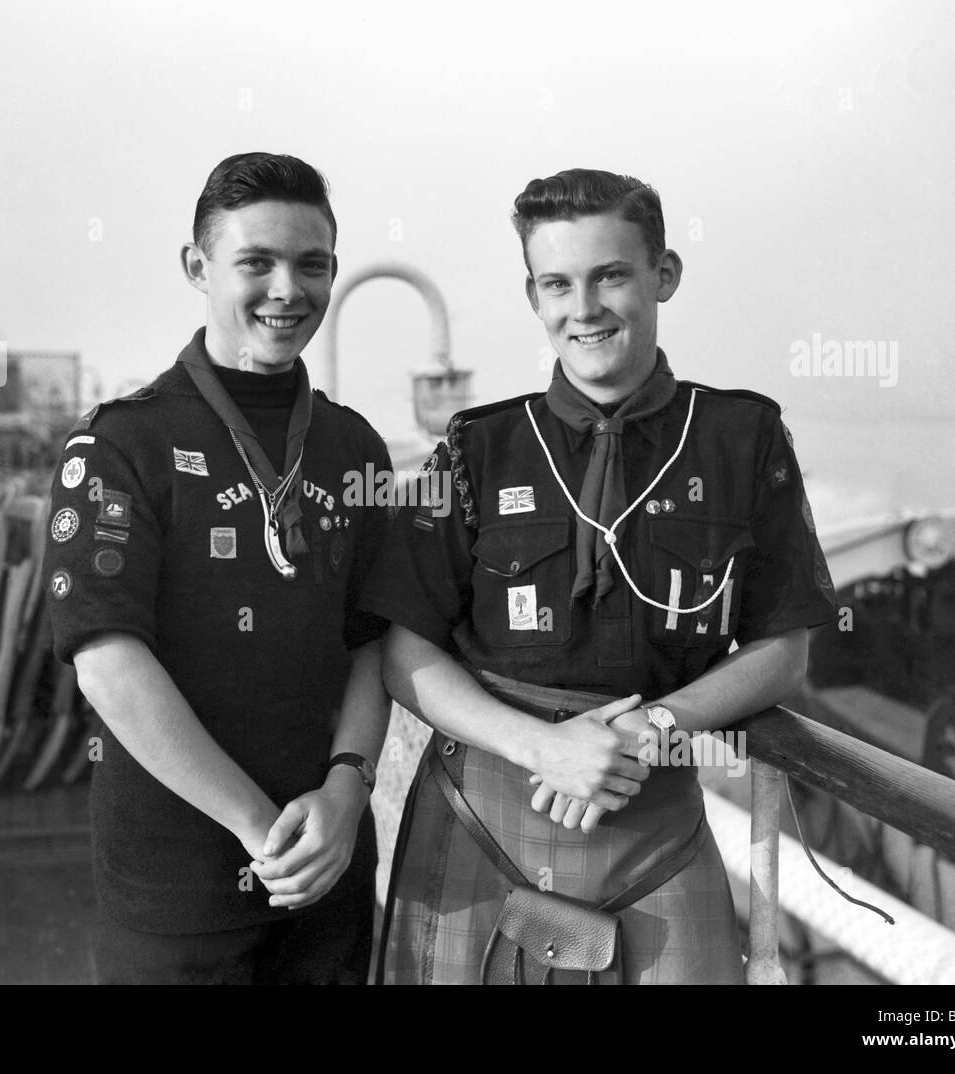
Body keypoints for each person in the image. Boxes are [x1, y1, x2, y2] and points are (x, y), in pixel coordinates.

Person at [360, 168, 838, 984]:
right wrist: (541, 748)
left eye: (611, 274)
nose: (583, 309)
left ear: (664, 275)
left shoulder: (741, 439)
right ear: (534, 296)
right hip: (483, 807)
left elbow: (783, 651)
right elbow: (404, 653)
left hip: (652, 811)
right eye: (558, 284)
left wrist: (649, 729)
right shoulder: (476, 450)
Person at [45, 152, 392, 984]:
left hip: (328, 874)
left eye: (312, 264)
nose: (287, 289)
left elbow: (375, 643)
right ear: (196, 267)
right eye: (256, 262)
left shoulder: (355, 445)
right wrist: (255, 826)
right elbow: (108, 662)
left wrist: (347, 793)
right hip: (178, 889)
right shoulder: (121, 444)